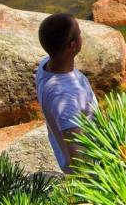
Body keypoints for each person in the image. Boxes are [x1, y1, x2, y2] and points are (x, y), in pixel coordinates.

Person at [35, 13, 98, 173]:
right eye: (80, 33)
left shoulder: (46, 65)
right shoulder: (65, 97)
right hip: (96, 167)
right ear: (72, 45)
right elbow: (78, 158)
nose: (82, 35)